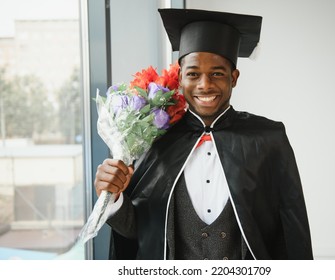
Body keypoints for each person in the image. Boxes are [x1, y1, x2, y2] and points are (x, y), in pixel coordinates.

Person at [94, 8, 313, 260]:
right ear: (180, 78)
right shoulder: (155, 139)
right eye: (193, 74)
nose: (204, 84)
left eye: (217, 74)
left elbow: (290, 228)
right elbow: (142, 233)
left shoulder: (269, 138)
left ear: (234, 77)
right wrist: (112, 196)